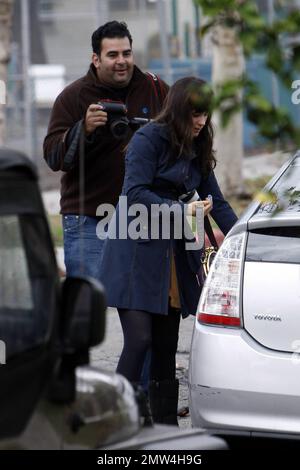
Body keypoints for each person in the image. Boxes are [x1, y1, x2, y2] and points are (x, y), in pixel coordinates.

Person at [99, 76, 238, 425]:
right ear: (177, 109)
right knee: (139, 339)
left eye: (205, 114)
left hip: (173, 253)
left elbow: (217, 203)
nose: (201, 121)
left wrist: (242, 240)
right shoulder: (149, 138)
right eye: (194, 114)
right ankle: (110, 418)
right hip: (133, 249)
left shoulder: (200, 142)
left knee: (166, 343)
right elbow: (133, 194)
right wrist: (182, 211)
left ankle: (164, 426)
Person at [43, 21, 168, 279]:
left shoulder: (155, 89)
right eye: (112, 55)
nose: (121, 61)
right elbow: (53, 156)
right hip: (89, 219)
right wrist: (84, 129)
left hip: (144, 217)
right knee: (89, 305)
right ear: (96, 59)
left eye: (126, 53)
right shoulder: (74, 96)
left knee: (144, 307)